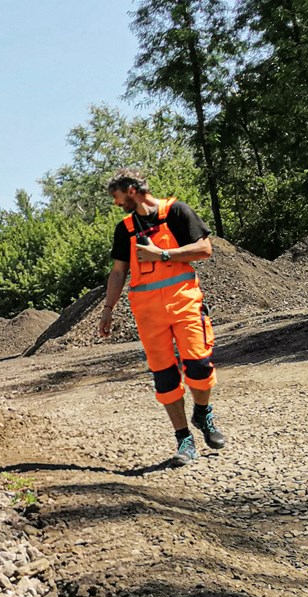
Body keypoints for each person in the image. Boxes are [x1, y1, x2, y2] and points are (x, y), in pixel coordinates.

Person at [98, 170, 227, 465]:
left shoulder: (177, 212)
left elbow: (205, 248)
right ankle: (184, 440)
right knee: (165, 378)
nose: (116, 203)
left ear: (131, 190)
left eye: (117, 196)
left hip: (184, 304)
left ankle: (203, 414)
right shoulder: (125, 229)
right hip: (148, 313)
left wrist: (163, 255)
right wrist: (108, 310)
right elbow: (118, 271)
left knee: (199, 366)